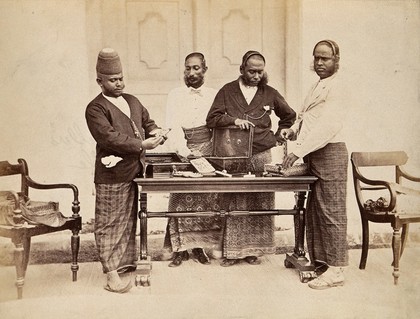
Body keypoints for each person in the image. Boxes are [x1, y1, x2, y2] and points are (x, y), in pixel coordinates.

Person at [85, 48, 167, 293]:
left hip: (135, 170)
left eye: (121, 78)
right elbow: (110, 138)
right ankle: (111, 274)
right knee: (109, 222)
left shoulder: (132, 100)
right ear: (100, 82)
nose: (119, 83)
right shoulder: (96, 108)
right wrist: (142, 144)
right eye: (112, 80)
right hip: (111, 174)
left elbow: (147, 121)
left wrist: (156, 131)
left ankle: (125, 264)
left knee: (130, 219)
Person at [206, 50, 296, 266]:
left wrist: (279, 135)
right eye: (252, 71)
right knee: (233, 201)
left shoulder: (270, 93)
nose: (256, 76)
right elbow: (212, 119)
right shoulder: (227, 91)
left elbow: (289, 116)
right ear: (242, 70)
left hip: (261, 154)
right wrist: (233, 121)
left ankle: (254, 250)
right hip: (233, 155)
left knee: (260, 201)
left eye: (260, 72)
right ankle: (231, 252)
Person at [281, 40, 349, 290]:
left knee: (332, 212)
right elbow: (307, 117)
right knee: (315, 210)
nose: (320, 63)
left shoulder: (339, 86)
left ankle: (337, 269)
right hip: (314, 153)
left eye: (326, 59)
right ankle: (322, 262)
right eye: (317, 58)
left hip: (330, 152)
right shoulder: (318, 85)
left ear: (336, 60)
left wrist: (298, 150)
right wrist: (292, 130)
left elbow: (327, 126)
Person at [163, 52, 223, 267]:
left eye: (196, 68)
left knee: (205, 199)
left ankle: (199, 248)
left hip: (208, 150)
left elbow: (218, 125)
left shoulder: (215, 95)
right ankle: (180, 249)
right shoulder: (175, 94)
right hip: (183, 149)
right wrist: (185, 151)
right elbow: (172, 125)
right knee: (180, 198)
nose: (191, 73)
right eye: (188, 68)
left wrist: (209, 151)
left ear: (205, 70)